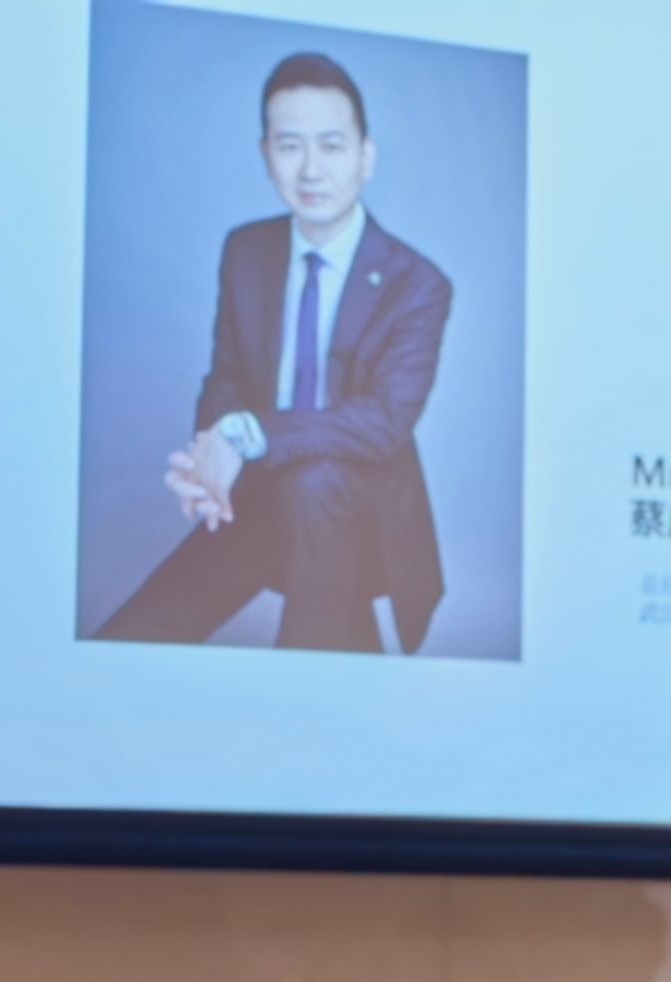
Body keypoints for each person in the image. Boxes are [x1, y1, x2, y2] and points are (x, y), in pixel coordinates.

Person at [96, 52, 451, 654]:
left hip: (352, 516)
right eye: (290, 146)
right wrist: (211, 459)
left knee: (318, 487)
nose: (311, 169)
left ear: (365, 157)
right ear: (266, 154)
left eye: (332, 146)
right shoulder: (246, 251)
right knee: (133, 640)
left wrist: (246, 436)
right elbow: (227, 379)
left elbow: (383, 423)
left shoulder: (416, 283)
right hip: (256, 499)